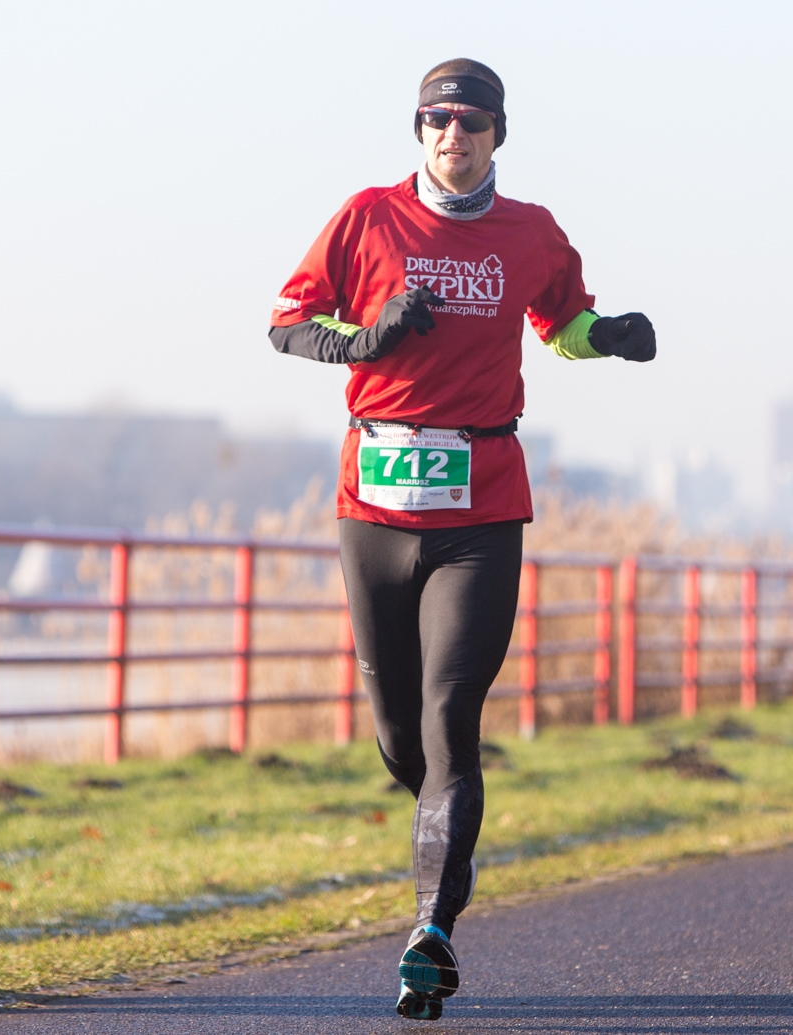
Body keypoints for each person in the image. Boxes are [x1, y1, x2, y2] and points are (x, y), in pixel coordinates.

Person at [268, 58, 656, 1019]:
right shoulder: (367, 217)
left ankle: (431, 930)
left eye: (473, 122)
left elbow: (560, 322)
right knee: (400, 736)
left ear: (496, 136)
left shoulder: (531, 230)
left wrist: (608, 336)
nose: (455, 135)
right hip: (376, 506)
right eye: (439, 120)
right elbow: (287, 322)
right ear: (419, 130)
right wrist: (366, 340)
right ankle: (444, 829)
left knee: (450, 714)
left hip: (481, 507)